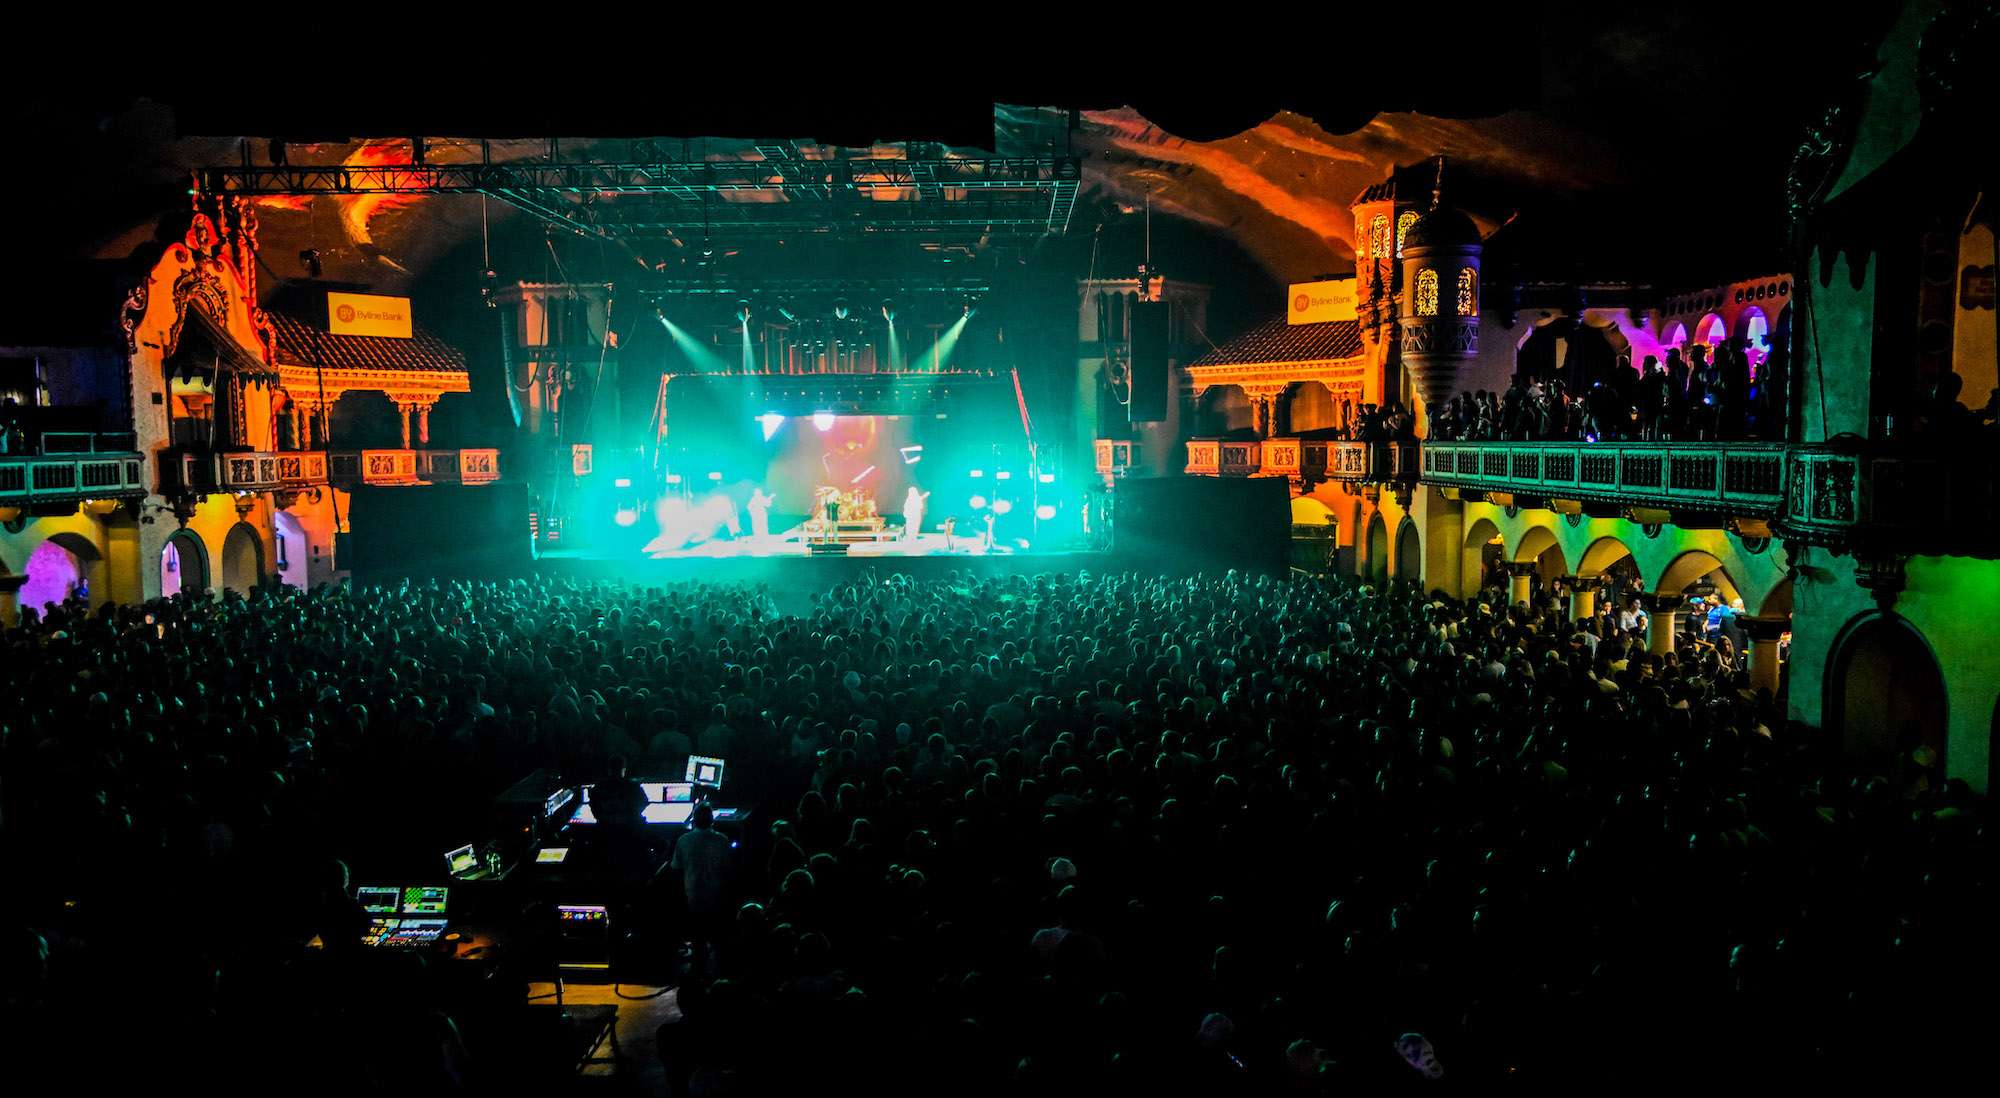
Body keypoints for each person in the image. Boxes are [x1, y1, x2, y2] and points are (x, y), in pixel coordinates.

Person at [668, 802, 733, 979]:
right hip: (716, 896)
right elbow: (728, 869)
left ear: (694, 820)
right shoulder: (722, 840)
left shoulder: (684, 840)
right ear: (712, 820)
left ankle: (697, 974)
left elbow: (676, 868)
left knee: (698, 939)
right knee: (718, 939)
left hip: (693, 895)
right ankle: (718, 975)